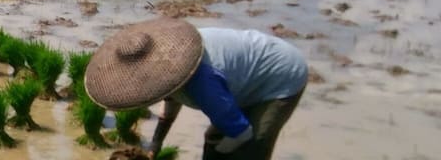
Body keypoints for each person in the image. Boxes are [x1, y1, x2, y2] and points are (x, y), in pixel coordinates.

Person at [82, 18, 309, 160]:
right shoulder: (168, 68)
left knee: (252, 148)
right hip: (242, 76)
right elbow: (169, 109)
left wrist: (221, 153)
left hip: (281, 76)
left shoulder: (202, 82)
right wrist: (155, 146)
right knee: (214, 136)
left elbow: (241, 133)